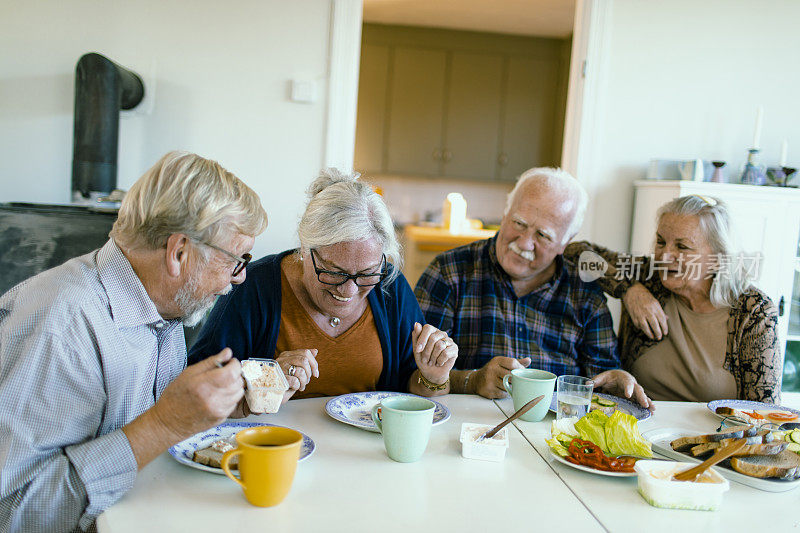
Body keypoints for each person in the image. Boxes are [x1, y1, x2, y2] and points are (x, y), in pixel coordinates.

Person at [0, 151, 268, 532]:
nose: (239, 277)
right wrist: (164, 424)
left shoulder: (164, 301)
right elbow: (11, 512)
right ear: (179, 252)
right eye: (235, 259)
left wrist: (210, 411)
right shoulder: (60, 324)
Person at [189, 168, 457, 399]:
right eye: (334, 272)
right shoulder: (252, 287)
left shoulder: (389, 285)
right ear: (305, 250)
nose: (349, 290)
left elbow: (410, 392)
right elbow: (197, 386)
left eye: (365, 274)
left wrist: (433, 375)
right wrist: (266, 378)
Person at [415, 167, 652, 408]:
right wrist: (472, 380)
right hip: (469, 430)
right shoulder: (449, 272)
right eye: (519, 223)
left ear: (565, 243)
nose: (525, 242)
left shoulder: (586, 295)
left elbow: (604, 379)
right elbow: (412, 376)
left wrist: (618, 380)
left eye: (543, 235)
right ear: (505, 213)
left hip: (554, 437)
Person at [564, 194, 782, 403]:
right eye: (660, 242)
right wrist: (629, 290)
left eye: (682, 246)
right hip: (641, 425)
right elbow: (576, 252)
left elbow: (765, 411)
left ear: (718, 255)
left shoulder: (754, 310)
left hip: (714, 435)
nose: (664, 256)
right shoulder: (648, 275)